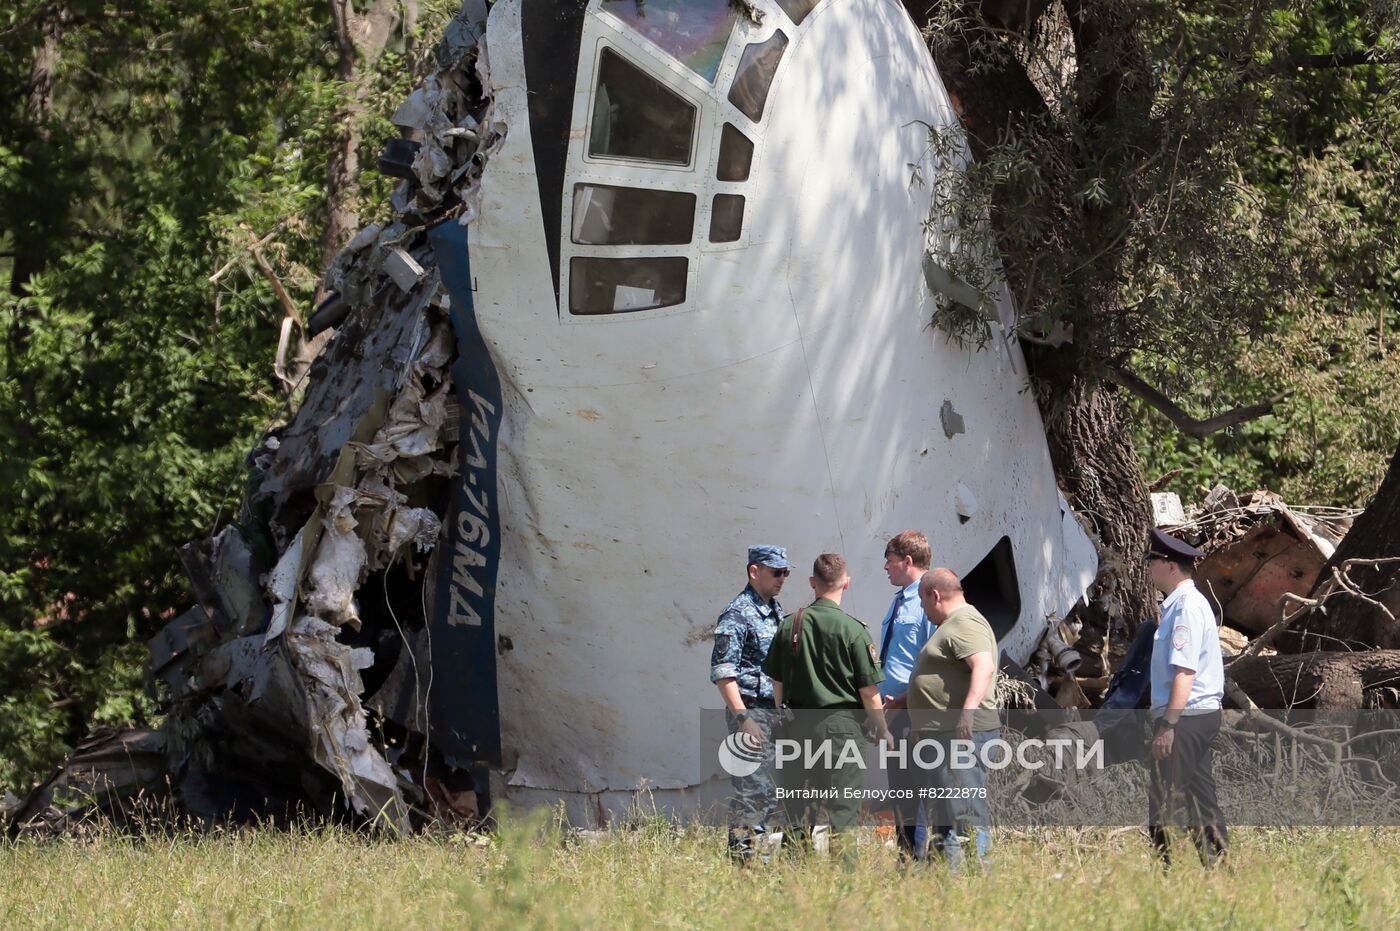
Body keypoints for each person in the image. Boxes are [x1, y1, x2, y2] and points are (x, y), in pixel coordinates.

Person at [762, 553, 889, 860]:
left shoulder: (790, 625)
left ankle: (794, 878)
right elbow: (869, 691)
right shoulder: (854, 630)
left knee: (798, 810)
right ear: (846, 583)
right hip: (841, 729)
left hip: (795, 727)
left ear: (812, 582)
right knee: (843, 811)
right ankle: (843, 882)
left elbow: (777, 682)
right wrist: (883, 729)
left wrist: (784, 713)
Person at [1145, 527, 1228, 867]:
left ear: (1169, 565)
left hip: (1187, 717)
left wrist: (1167, 726)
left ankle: (1165, 875)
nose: (1148, 567)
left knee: (1162, 803)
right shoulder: (1180, 606)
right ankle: (1218, 868)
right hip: (1194, 716)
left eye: (1152, 560)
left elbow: (1184, 673)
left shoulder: (1186, 609)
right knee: (1199, 798)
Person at [906, 568, 999, 868]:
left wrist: (966, 716)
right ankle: (949, 881)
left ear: (935, 595)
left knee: (966, 813)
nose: (923, 609)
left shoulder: (966, 622)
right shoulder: (953, 625)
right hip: (944, 736)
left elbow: (983, 667)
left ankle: (977, 878)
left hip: (961, 738)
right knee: (947, 814)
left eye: (923, 602)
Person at [711, 544, 792, 863]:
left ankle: (756, 860)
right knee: (754, 791)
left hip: (771, 713)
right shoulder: (737, 612)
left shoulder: (774, 608)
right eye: (776, 572)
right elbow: (723, 672)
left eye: (785, 572)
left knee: (768, 791)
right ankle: (747, 866)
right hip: (751, 712)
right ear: (754, 571)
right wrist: (743, 718)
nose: (782, 578)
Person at [873, 530, 937, 858]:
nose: (885, 567)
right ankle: (907, 858)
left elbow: (934, 659)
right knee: (901, 790)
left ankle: (921, 861)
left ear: (907, 561)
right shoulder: (899, 600)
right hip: (893, 713)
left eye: (890, 560)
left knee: (919, 789)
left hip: (915, 711)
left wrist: (907, 703)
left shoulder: (930, 599)